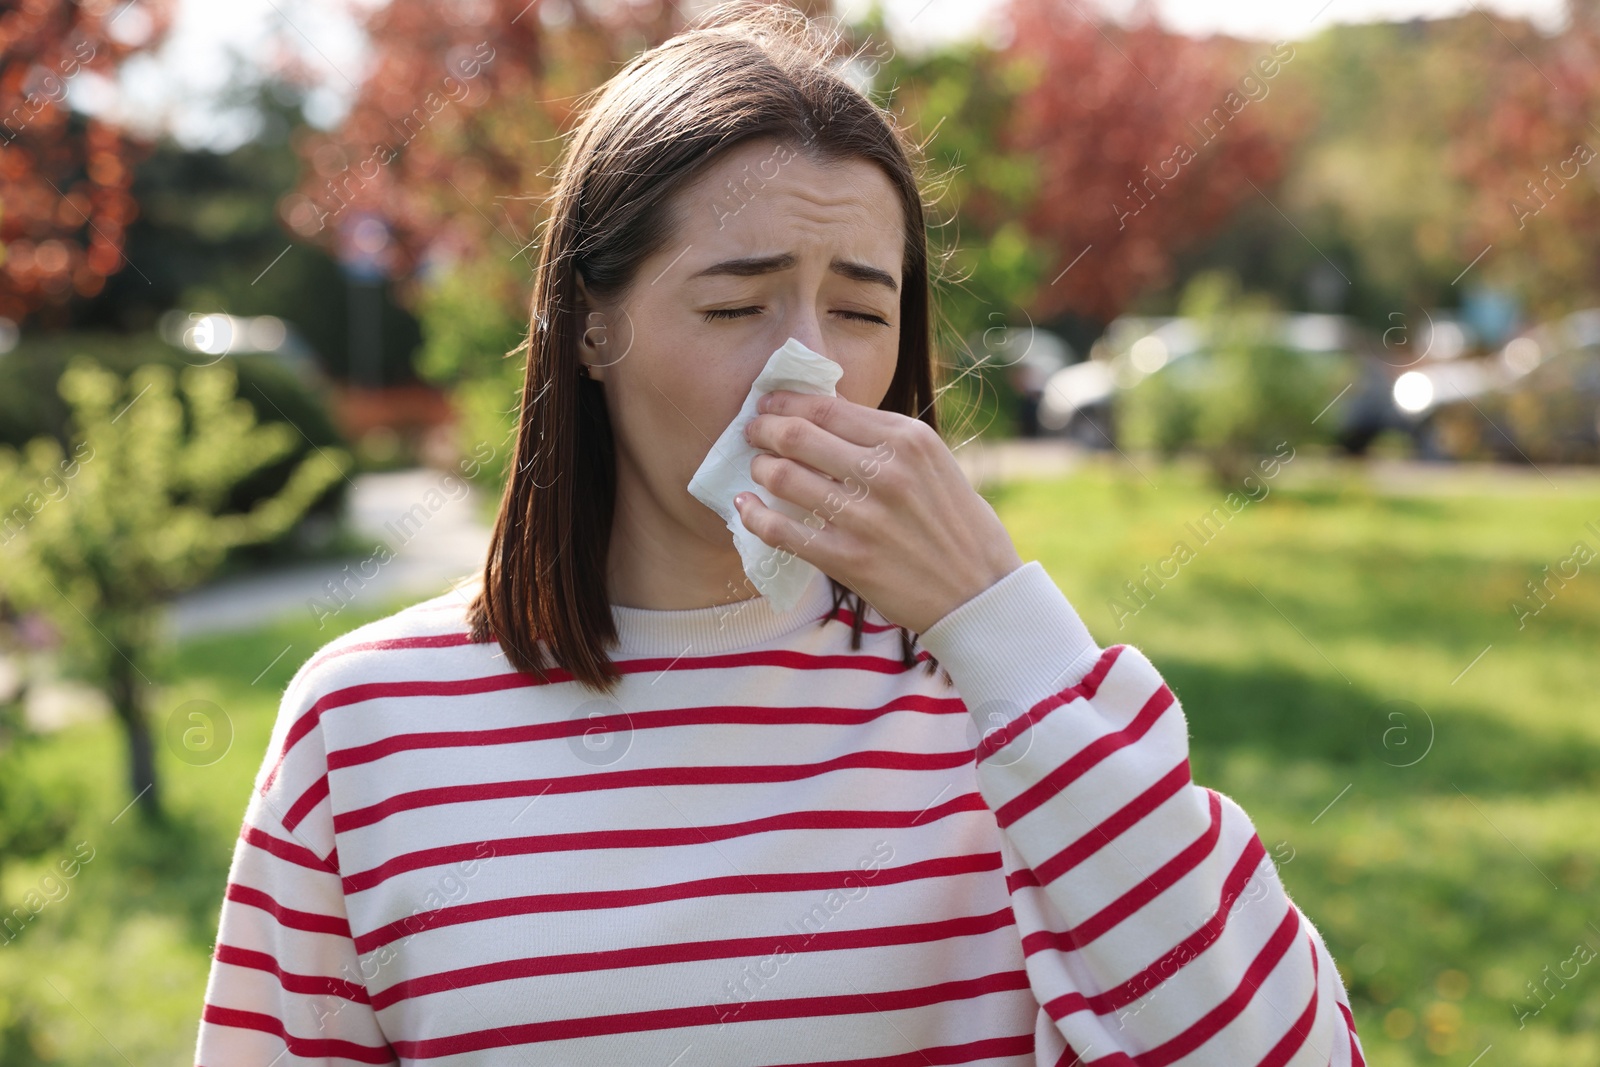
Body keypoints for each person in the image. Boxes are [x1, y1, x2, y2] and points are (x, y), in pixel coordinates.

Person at [194, 4, 1367, 1064]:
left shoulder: (1014, 714)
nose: (799, 371)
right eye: (734, 305)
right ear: (590, 329)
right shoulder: (368, 729)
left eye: (860, 310)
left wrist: (1006, 628)